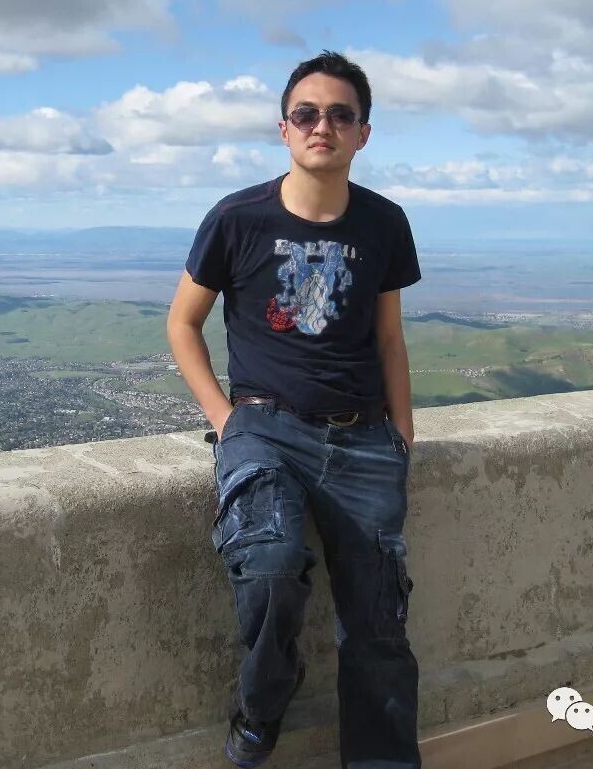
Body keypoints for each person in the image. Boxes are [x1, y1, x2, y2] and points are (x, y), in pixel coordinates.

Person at [166, 51, 422, 768]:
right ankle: (262, 706)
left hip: (363, 439)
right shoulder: (237, 218)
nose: (322, 126)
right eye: (306, 113)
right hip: (265, 428)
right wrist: (226, 420)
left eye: (341, 115)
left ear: (363, 134)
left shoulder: (384, 222)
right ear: (284, 129)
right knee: (270, 565)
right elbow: (182, 323)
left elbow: (389, 337)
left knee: (378, 628)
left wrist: (402, 434)